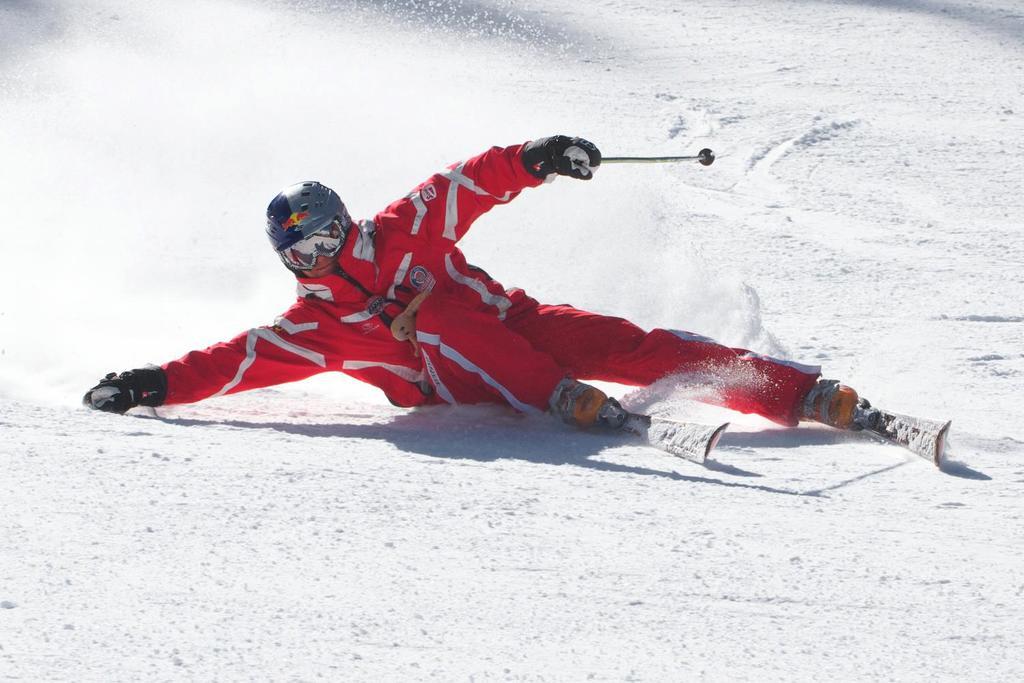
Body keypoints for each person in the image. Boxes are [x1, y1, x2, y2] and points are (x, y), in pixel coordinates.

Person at [83, 135, 861, 433]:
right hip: (447, 378)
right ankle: (560, 397)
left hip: (518, 326)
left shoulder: (400, 230)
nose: (316, 262)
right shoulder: (309, 329)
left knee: (624, 341)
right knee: (432, 319)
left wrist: (539, 157)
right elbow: (229, 362)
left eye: (323, 241)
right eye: (300, 255)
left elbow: (465, 182)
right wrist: (150, 381)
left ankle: (793, 391)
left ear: (343, 223)